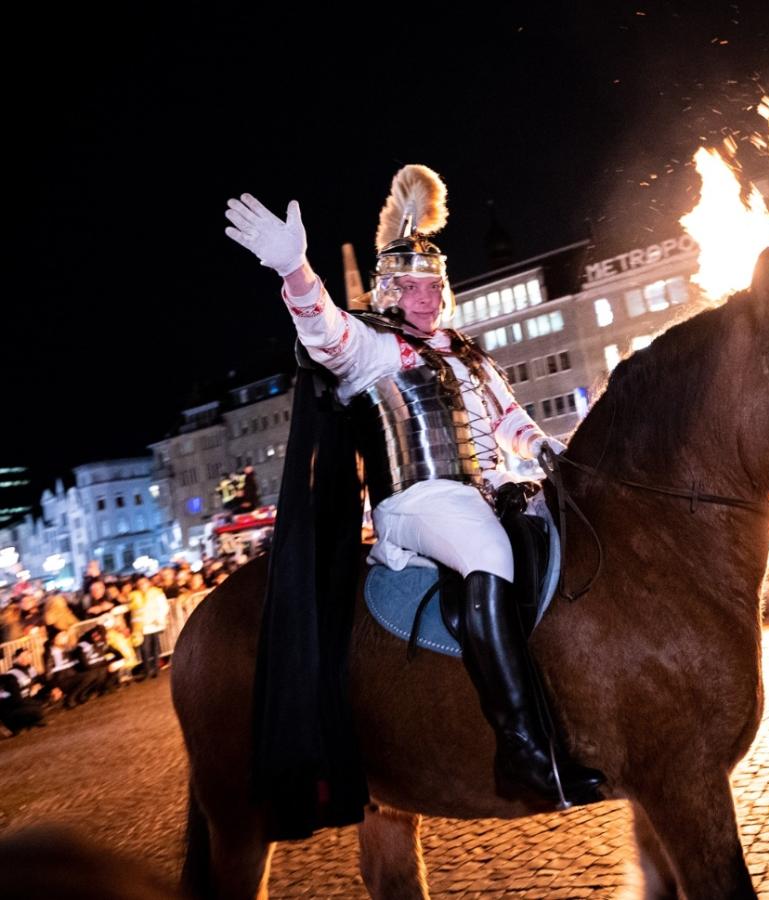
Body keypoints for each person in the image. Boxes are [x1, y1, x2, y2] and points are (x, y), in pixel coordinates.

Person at [224, 164, 604, 806]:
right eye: (412, 287)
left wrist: (546, 452)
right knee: (489, 554)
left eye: (434, 285)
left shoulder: (467, 349)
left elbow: (507, 418)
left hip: (483, 490)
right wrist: (296, 271)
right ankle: (522, 751)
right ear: (390, 293)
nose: (427, 297)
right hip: (418, 498)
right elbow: (323, 332)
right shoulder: (373, 345)